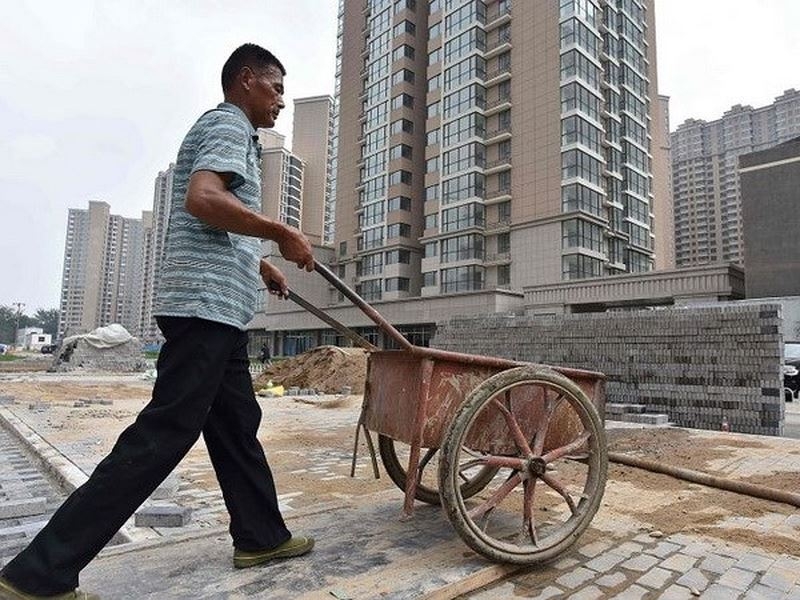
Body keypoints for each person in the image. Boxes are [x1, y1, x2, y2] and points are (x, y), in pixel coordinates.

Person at [0, 43, 315, 600]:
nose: (281, 103)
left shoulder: (231, 129)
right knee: (164, 433)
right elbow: (203, 198)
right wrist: (281, 233)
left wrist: (260, 263)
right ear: (246, 80)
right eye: (276, 89)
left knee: (236, 425)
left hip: (217, 303)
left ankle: (261, 536)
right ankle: (37, 575)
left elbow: (216, 220)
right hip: (204, 306)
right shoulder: (228, 125)